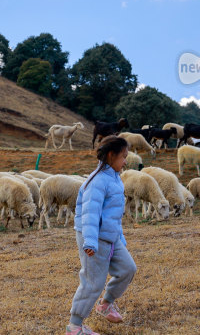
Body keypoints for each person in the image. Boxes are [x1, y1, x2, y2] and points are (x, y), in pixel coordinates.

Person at [67, 136, 137, 335]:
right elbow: (90, 214)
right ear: (110, 155)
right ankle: (74, 327)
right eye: (123, 157)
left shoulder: (114, 178)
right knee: (92, 283)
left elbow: (112, 214)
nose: (125, 161)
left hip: (111, 237)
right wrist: (89, 241)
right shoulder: (97, 181)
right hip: (94, 239)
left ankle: (105, 304)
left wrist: (119, 237)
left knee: (127, 269)